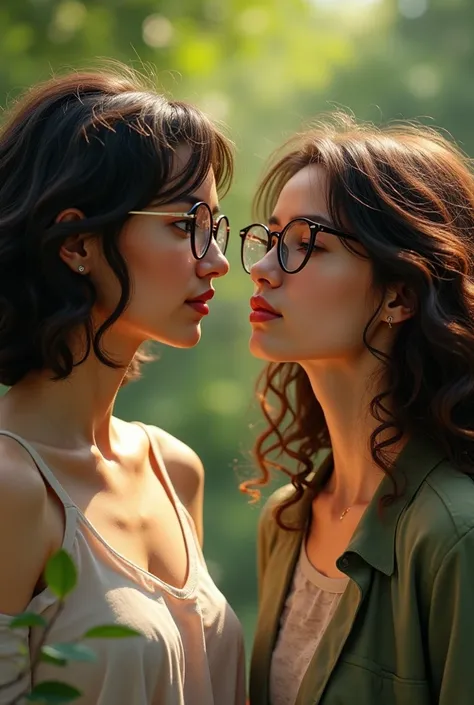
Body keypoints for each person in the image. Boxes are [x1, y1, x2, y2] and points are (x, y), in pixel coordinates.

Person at [0, 64, 245, 705]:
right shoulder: (10, 488)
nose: (216, 259)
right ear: (78, 241)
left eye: (213, 227)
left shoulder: (175, 468)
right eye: (184, 225)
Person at [240, 114, 474, 705]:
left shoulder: (455, 536)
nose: (263, 271)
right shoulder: (287, 520)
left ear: (399, 295)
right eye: (270, 241)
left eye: (305, 246)